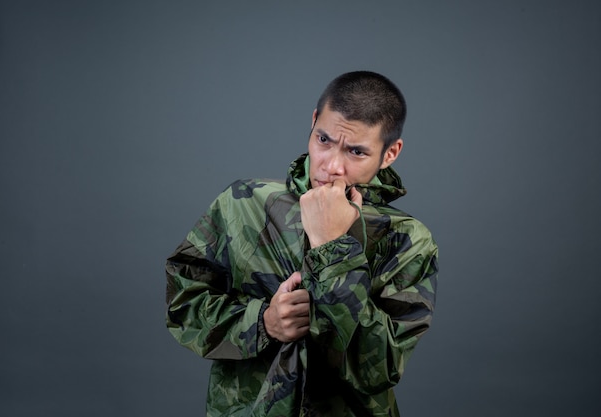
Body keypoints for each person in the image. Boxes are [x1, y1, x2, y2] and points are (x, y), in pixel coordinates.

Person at [165, 71, 439, 417]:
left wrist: (332, 246)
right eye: (324, 140)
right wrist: (263, 322)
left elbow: (378, 368)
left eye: (356, 151)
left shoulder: (406, 240)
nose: (332, 166)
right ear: (313, 122)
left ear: (389, 153)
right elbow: (182, 304)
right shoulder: (244, 203)